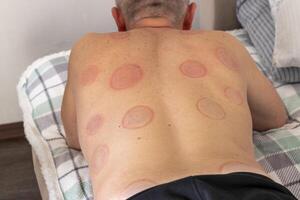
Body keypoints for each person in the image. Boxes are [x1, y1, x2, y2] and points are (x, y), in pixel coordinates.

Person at [61, 0, 297, 199]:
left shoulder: (87, 47)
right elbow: (274, 116)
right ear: (190, 16)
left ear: (118, 20)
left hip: (137, 192)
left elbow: (74, 136)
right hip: (246, 187)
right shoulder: (224, 43)